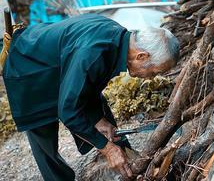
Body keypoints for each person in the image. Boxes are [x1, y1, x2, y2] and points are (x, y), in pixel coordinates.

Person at [1, 14, 180, 180]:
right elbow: (68, 110)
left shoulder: (116, 39)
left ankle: (126, 163)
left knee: (104, 117)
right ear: (141, 56)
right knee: (44, 139)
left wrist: (97, 119)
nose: (150, 77)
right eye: (154, 72)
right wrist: (107, 148)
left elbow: (88, 86)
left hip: (59, 64)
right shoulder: (93, 51)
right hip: (28, 66)